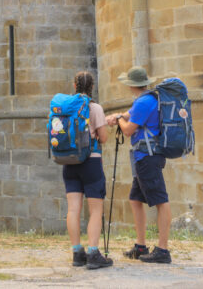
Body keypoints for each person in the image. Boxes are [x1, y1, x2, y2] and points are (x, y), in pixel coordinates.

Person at [106, 66, 172, 264]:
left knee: (161, 200)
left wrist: (118, 121)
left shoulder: (144, 102)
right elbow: (128, 115)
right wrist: (118, 116)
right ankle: (141, 245)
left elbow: (127, 130)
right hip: (143, 157)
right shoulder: (145, 100)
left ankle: (163, 249)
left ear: (130, 85)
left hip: (147, 157)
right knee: (135, 199)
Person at [61, 71, 113, 269]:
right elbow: (103, 137)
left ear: (74, 86)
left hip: (70, 162)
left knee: (73, 208)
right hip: (91, 162)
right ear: (92, 87)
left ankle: (76, 252)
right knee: (95, 209)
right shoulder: (95, 108)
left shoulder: (66, 108)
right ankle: (93, 253)